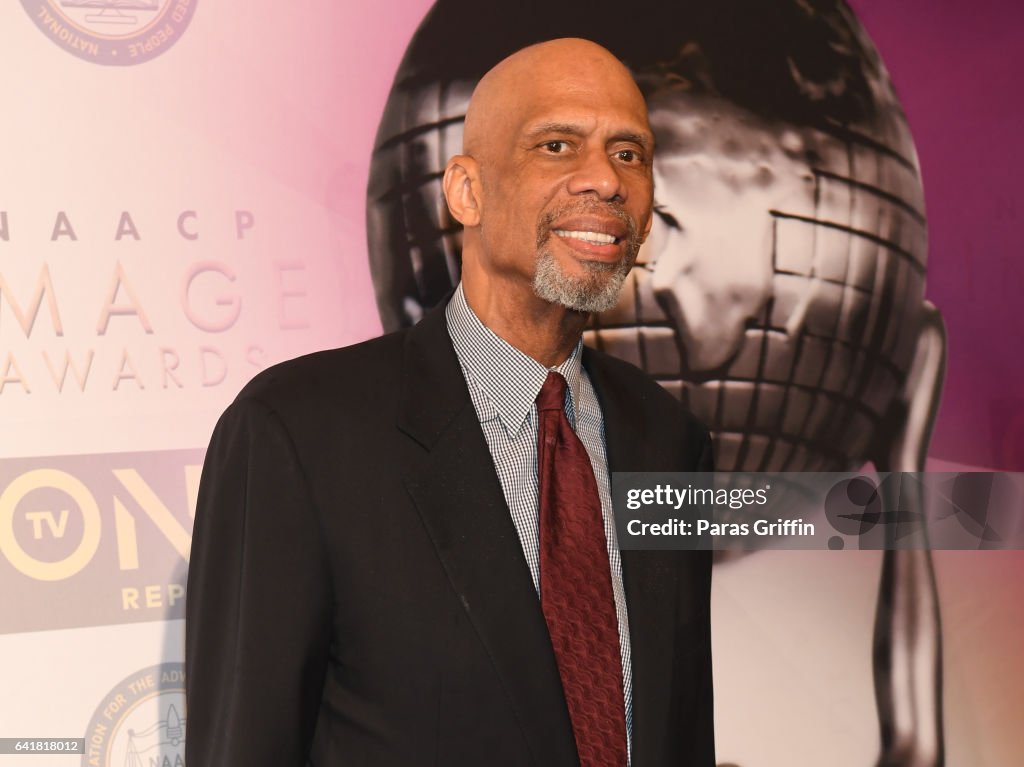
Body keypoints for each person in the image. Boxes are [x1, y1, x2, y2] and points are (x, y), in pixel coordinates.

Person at [185, 38, 714, 767]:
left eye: (630, 154)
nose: (605, 179)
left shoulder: (668, 439)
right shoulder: (297, 432)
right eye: (557, 145)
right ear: (466, 191)